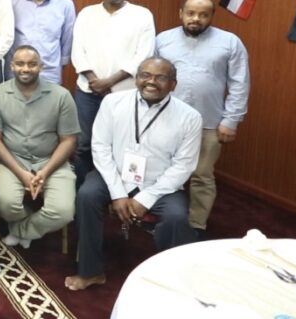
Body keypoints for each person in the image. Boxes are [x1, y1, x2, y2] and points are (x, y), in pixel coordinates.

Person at [65, 58, 201, 291]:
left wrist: (145, 198)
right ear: (136, 78)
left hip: (160, 184)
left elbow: (183, 166)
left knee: (177, 216)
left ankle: (170, 280)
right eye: (145, 75)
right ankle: (90, 271)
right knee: (87, 195)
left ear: (173, 84)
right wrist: (118, 193)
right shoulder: (112, 102)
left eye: (160, 78)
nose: (151, 82)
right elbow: (100, 147)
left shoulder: (190, 117)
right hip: (114, 175)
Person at [155, 0, 249, 236]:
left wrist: (231, 120)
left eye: (203, 14)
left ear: (211, 16)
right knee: (162, 170)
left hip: (209, 122)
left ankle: (196, 224)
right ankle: (163, 218)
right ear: (181, 13)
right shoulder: (162, 40)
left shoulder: (230, 42)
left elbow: (239, 83)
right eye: (191, 13)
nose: (196, 18)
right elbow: (151, 78)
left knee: (202, 175)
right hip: (166, 119)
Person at [0, 45, 79, 249]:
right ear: (11, 66)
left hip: (51, 161)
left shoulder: (61, 95)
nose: (25, 69)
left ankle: (21, 231)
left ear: (41, 67)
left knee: (63, 211)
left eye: (32, 64)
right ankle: (30, 226)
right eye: (20, 64)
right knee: (5, 204)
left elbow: (69, 140)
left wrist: (45, 172)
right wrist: (21, 173)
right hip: (11, 161)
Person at [71, 0, 155, 185]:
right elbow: (77, 51)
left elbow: (143, 55)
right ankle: (82, 193)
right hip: (88, 93)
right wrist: (95, 81)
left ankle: (118, 192)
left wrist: (109, 82)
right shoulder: (87, 14)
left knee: (122, 145)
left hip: (124, 94)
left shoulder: (142, 15)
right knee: (83, 144)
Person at [8, 0, 76, 84]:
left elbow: (67, 39)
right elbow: (7, 36)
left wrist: (61, 64)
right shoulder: (13, 4)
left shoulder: (65, 5)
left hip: (49, 72)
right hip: (18, 71)